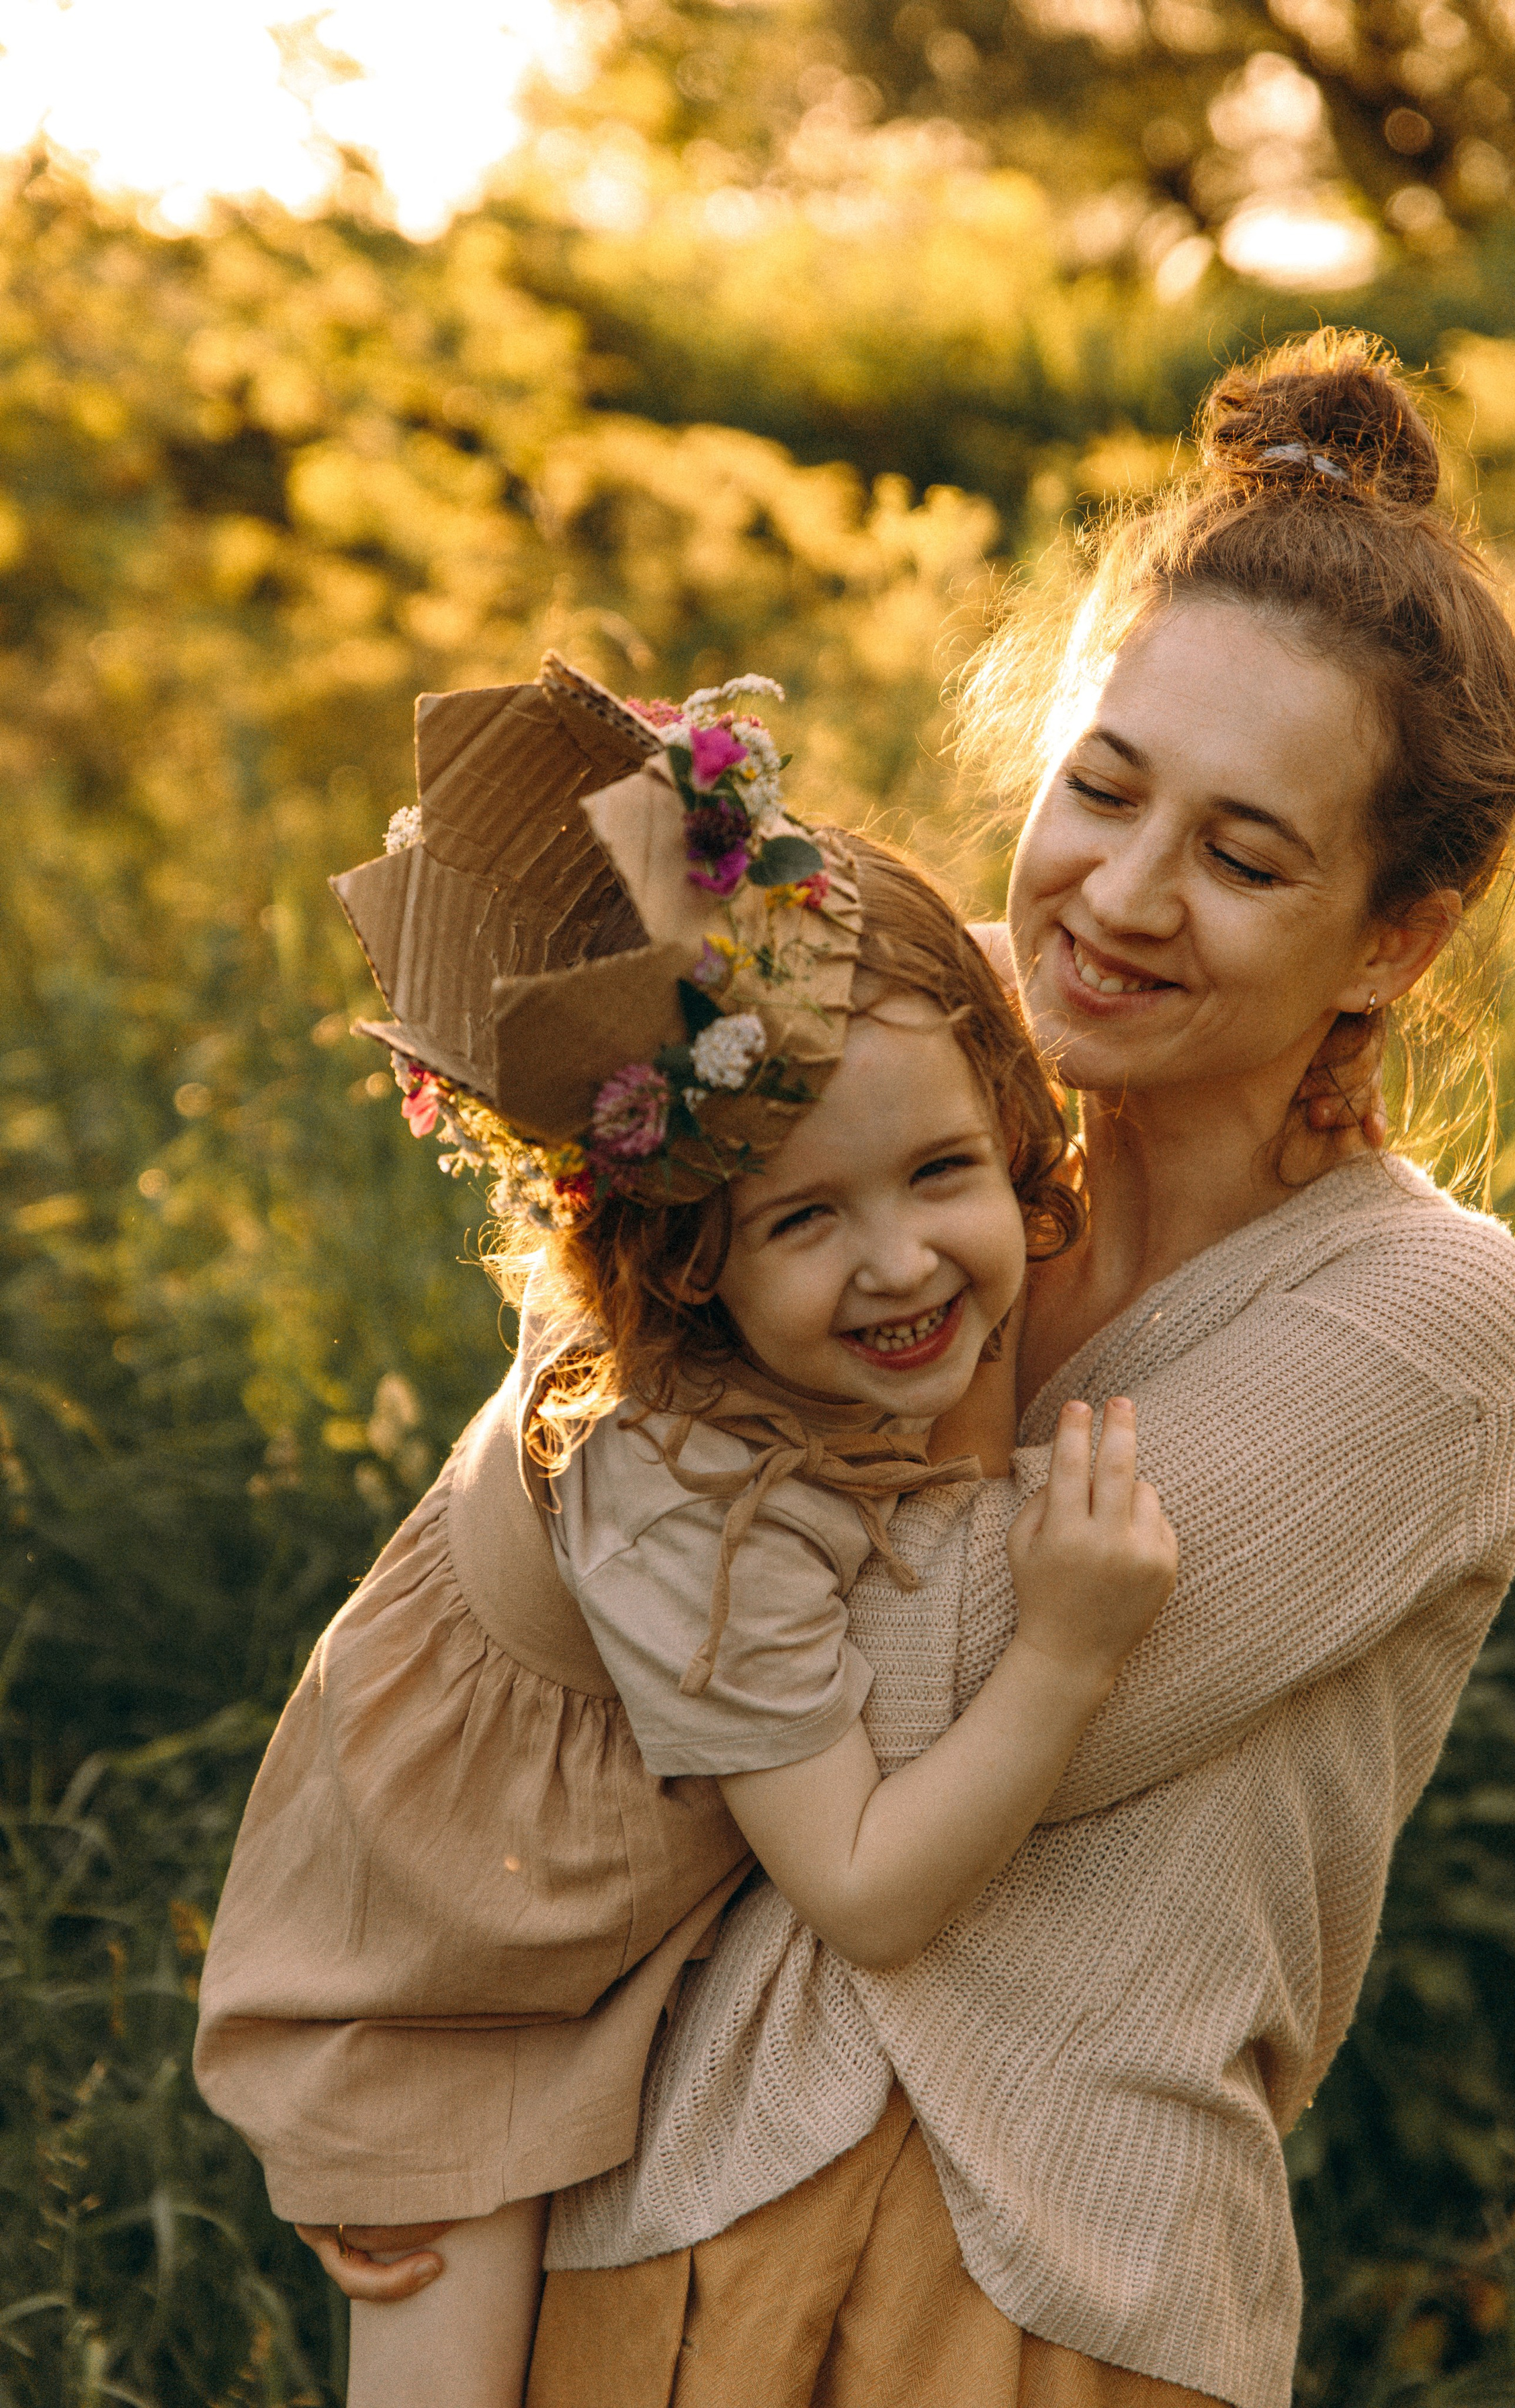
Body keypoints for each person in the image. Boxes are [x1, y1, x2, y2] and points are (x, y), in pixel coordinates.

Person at [463, 330, 1515, 2408]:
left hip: (1064, 2290)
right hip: (658, 2226)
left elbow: (884, 1690)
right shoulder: (896, 1089)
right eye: (1104, 789)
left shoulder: (1431, 1323)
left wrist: (700, 1387)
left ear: (1395, 940)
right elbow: (572, 1456)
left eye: (1245, 858)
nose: (1122, 898)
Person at [194, 663, 1179, 2408]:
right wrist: (1064, 1654)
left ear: (1008, 1114)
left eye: (944, 1173)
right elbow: (866, 1891)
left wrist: (1316, 1064)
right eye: (804, 1220)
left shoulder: (895, 1078)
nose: (900, 1261)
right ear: (688, 1257)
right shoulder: (675, 1487)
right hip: (455, 1956)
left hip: (641, 1893)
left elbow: (972, 988)